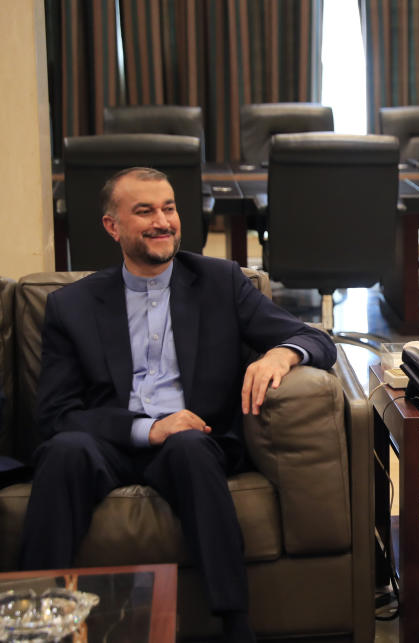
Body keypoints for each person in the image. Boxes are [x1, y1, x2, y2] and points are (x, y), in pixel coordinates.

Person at [20, 167, 336, 641]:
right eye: (144, 211)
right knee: (65, 451)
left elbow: (314, 337)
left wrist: (281, 352)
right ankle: (37, 623)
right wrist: (148, 428)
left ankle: (235, 625)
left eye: (168, 208)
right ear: (112, 226)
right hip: (106, 442)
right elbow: (55, 415)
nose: (162, 221)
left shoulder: (220, 282)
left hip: (191, 442)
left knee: (188, 445)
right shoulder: (72, 305)